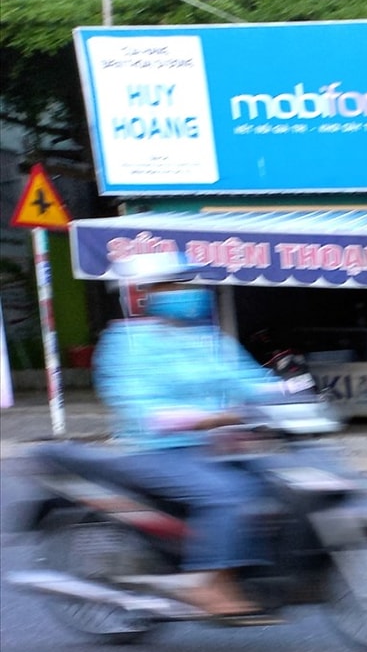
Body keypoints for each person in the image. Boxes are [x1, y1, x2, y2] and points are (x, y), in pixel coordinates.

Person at [91, 253, 280, 618]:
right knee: (227, 495)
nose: (184, 292)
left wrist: (293, 397)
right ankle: (208, 581)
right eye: (172, 285)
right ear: (143, 294)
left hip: (214, 447)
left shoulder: (206, 339)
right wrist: (203, 420)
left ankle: (255, 573)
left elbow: (249, 380)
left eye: (185, 284)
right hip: (156, 451)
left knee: (275, 484)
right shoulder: (125, 343)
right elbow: (139, 407)